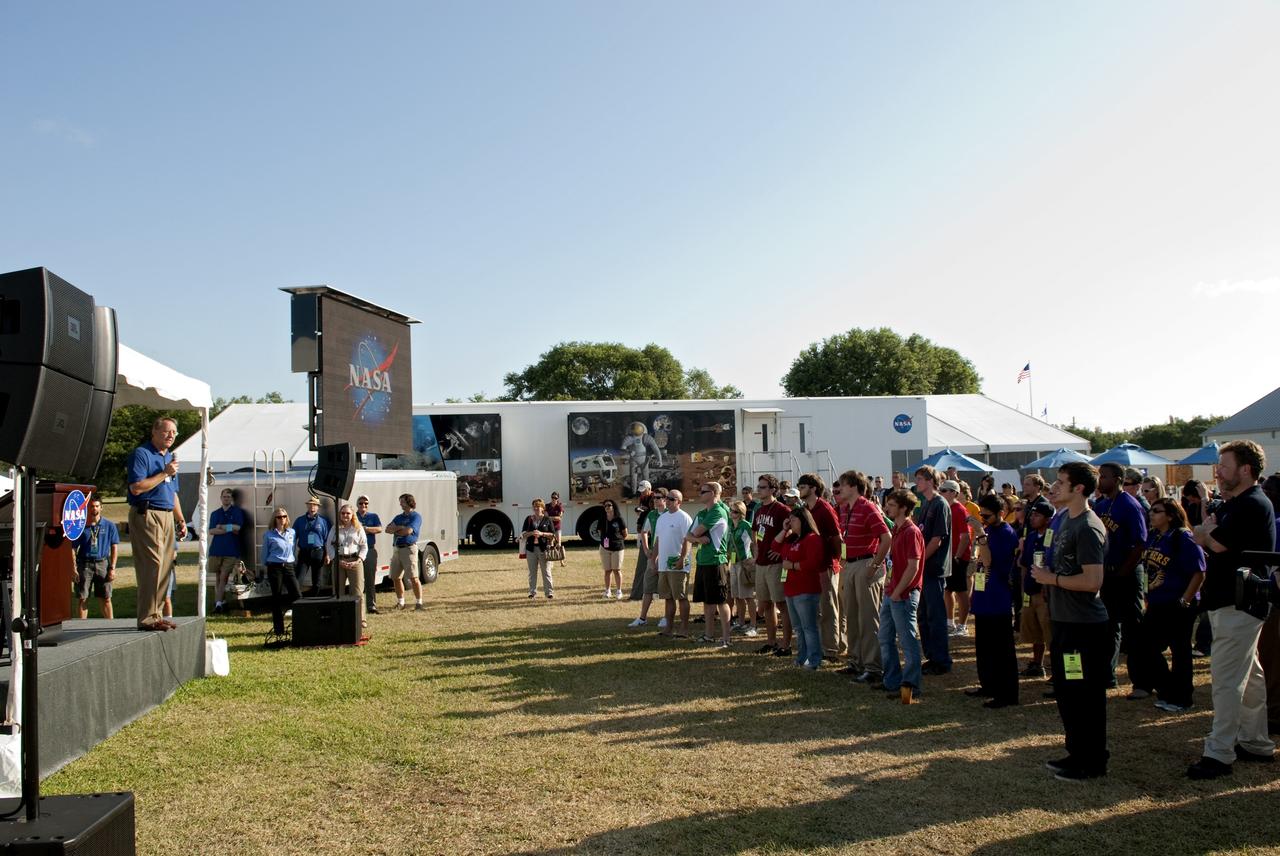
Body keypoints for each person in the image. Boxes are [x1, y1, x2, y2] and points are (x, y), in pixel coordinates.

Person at [1186, 440, 1276, 779]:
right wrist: (1208, 534)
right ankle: (1255, 742)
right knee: (1249, 677)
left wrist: (1208, 535)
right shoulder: (1236, 504)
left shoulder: (1253, 503)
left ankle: (1219, 753)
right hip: (1230, 600)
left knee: (1225, 681)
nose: (1217, 472)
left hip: (1239, 602)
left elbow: (1217, 542)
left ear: (1246, 470)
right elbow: (1205, 534)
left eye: (1224, 466)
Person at [1031, 462, 1110, 782]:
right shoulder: (1064, 520)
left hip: (1083, 626)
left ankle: (1092, 761)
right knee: (1068, 691)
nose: (1055, 486)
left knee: (1085, 695)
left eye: (1061, 482)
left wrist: (1053, 579)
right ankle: (1077, 752)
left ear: (1079, 489)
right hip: (1064, 621)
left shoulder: (1088, 527)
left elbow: (1093, 581)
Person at [1129, 498, 1204, 712]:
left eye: (1157, 511)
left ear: (1170, 515)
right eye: (1151, 511)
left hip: (1178, 603)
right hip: (1156, 602)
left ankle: (1182, 698)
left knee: (1180, 651)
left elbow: (1199, 573)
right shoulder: (1154, 536)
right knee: (1145, 646)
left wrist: (1185, 600)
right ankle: (1168, 689)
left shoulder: (1183, 537)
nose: (1151, 514)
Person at [126, 416, 185, 632]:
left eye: (174, 433)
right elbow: (137, 487)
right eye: (167, 431)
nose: (171, 436)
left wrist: (180, 519)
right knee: (152, 565)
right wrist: (164, 473)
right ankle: (147, 618)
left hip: (167, 514)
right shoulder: (142, 454)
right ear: (154, 432)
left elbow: (173, 493)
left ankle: (157, 615)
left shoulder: (169, 458)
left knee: (166, 566)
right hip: (147, 514)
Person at [1094, 462, 1149, 687]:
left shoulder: (1129, 504)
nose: (1100, 481)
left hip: (1126, 572)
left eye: (1104, 476)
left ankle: (1142, 682)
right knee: (1108, 626)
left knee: (1133, 628)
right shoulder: (1101, 505)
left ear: (1117, 478)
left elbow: (1140, 543)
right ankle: (1108, 676)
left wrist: (1123, 572)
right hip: (1107, 573)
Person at [833, 471, 891, 684]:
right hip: (850, 564)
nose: (839, 489)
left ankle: (873, 667)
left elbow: (886, 538)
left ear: (854, 487)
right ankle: (856, 661)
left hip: (866, 563)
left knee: (868, 618)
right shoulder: (845, 509)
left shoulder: (868, 507)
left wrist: (874, 565)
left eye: (843, 485)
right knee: (852, 615)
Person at [967, 495, 1020, 708]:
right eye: (980, 514)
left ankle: (1006, 693)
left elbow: (989, 561)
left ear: (1000, 513)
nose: (983, 518)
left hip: (998, 598)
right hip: (984, 595)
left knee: (1001, 650)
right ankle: (988, 684)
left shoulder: (1006, 534)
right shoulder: (989, 530)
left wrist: (980, 534)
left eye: (987, 515)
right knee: (985, 646)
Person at [874, 488, 924, 703]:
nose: (888, 508)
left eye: (892, 505)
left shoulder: (911, 532)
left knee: (907, 640)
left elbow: (913, 567)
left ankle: (911, 685)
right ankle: (892, 680)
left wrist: (897, 591)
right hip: (892, 592)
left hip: (903, 594)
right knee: (885, 638)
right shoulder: (897, 529)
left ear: (904, 508)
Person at [777, 504, 828, 669]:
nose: (790, 521)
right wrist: (784, 529)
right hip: (791, 589)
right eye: (789, 519)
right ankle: (802, 657)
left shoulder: (812, 538)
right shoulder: (791, 538)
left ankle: (814, 660)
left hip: (806, 589)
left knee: (809, 627)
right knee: (799, 628)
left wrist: (791, 565)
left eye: (793, 519)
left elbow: (813, 563)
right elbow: (774, 546)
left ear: (804, 520)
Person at [797, 473, 842, 660]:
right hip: (812, 567)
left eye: (802, 486)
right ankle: (823, 645)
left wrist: (836, 561)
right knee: (816, 608)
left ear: (814, 488)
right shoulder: (805, 509)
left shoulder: (825, 509)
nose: (799, 488)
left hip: (826, 565)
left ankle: (831, 649)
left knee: (828, 608)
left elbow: (837, 537)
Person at [915, 466, 953, 675]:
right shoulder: (926, 504)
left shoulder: (940, 504)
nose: (917, 483)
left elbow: (937, 540)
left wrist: (919, 561)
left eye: (920, 479)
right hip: (925, 568)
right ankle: (931, 655)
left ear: (930, 480)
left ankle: (941, 660)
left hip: (934, 568)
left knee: (935, 616)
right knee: (924, 615)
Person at [685, 482, 732, 647]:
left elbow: (696, 531)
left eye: (703, 491)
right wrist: (698, 539)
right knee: (707, 601)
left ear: (713, 493)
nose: (700, 494)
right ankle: (708, 635)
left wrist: (696, 536)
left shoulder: (718, 511)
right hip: (703, 561)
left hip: (716, 561)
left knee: (721, 600)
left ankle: (726, 638)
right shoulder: (702, 512)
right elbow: (689, 536)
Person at [752, 475, 793, 657]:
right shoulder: (760, 510)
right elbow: (756, 532)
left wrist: (781, 551)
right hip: (761, 562)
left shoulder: (782, 509)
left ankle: (786, 643)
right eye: (759, 486)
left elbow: (791, 532)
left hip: (775, 564)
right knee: (766, 603)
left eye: (763, 487)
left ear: (772, 490)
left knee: (782, 604)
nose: (759, 489)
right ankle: (771, 641)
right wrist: (755, 551)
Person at [1019, 500, 1055, 677]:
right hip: (1030, 589)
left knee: (1049, 631)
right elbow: (1024, 563)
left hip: (1045, 592)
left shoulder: (1053, 537)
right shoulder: (1032, 536)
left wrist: (1048, 587)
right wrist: (1023, 586)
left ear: (1048, 519)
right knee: (1034, 630)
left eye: (1037, 515)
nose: (1033, 518)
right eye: (1032, 514)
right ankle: (1036, 663)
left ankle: (1056, 669)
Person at [654, 490, 693, 639]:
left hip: (678, 565)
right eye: (666, 498)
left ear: (679, 502)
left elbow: (687, 540)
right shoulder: (661, 518)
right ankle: (668, 628)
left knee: (681, 597)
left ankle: (684, 629)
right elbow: (658, 540)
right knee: (668, 597)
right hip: (664, 565)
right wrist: (654, 558)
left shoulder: (684, 518)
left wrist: (682, 558)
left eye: (671, 498)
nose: (668, 500)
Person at [73, 497, 119, 619]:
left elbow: (114, 547)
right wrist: (73, 568)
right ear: (88, 509)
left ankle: (110, 626)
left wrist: (112, 568)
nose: (94, 508)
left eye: (97, 506)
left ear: (101, 507)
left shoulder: (109, 526)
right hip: (84, 564)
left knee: (106, 597)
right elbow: (72, 548)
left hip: (102, 564)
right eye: (92, 506)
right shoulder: (81, 526)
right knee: (83, 597)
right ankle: (81, 628)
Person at [325, 502, 368, 629]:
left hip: (355, 561)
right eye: (343, 513)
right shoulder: (335, 528)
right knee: (338, 591)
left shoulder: (358, 528)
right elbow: (328, 545)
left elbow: (364, 546)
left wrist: (359, 559)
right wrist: (336, 560)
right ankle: (339, 617)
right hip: (339, 562)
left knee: (357, 592)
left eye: (348, 513)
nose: (345, 515)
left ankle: (361, 619)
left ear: (352, 515)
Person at [630, 491, 667, 626]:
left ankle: (667, 617)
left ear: (665, 499)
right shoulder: (652, 514)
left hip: (667, 556)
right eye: (653, 498)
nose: (655, 501)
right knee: (648, 588)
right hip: (653, 556)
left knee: (667, 590)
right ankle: (642, 618)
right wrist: (646, 549)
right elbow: (644, 532)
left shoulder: (670, 514)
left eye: (658, 498)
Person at [940, 480, 972, 638]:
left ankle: (963, 625)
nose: (941, 492)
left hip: (958, 557)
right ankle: (949, 622)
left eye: (945, 490)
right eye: (941, 490)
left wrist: (957, 556)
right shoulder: (947, 508)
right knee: (947, 590)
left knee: (961, 591)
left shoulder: (959, 509)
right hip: (949, 556)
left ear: (954, 493)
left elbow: (965, 537)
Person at [262, 506, 301, 637]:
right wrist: (265, 566)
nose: (282, 519)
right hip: (275, 566)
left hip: (289, 566)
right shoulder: (269, 534)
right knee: (276, 597)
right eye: (279, 517)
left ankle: (299, 625)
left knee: (297, 594)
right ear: (275, 519)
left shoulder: (292, 532)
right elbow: (264, 553)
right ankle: (279, 629)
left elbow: (293, 548)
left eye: (284, 516)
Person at [208, 488, 246, 615]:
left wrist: (223, 526)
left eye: (229, 497)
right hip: (216, 550)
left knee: (224, 577)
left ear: (232, 499)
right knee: (218, 577)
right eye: (224, 497)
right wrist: (229, 529)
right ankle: (221, 602)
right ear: (221, 498)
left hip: (231, 550)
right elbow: (211, 531)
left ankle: (217, 604)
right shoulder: (215, 513)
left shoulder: (236, 512)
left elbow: (238, 527)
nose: (226, 499)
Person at [385, 493, 424, 611]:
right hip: (397, 549)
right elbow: (387, 529)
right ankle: (401, 602)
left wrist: (397, 529)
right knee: (396, 577)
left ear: (409, 502)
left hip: (409, 549)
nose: (400, 504)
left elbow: (408, 531)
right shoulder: (398, 517)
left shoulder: (416, 517)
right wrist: (400, 527)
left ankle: (419, 603)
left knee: (413, 577)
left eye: (402, 501)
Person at [726, 501, 758, 637]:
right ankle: (741, 622)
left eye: (735, 512)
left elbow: (755, 542)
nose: (732, 514)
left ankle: (753, 625)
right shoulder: (731, 526)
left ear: (742, 513)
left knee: (748, 596)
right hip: (733, 564)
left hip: (745, 564)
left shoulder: (745, 525)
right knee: (737, 595)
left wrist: (755, 559)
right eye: (731, 511)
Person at [293, 497, 331, 597]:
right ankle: (297, 601)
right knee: (298, 579)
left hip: (318, 552)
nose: (312, 507)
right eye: (310, 505)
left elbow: (327, 540)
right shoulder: (299, 520)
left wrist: (327, 555)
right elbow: (292, 538)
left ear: (318, 507)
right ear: (307, 506)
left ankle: (313, 601)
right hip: (304, 552)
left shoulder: (324, 521)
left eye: (314, 505)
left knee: (317, 581)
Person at [355, 496, 383, 615]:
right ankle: (356, 606)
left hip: (370, 551)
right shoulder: (353, 515)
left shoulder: (373, 516)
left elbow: (379, 529)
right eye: (361, 503)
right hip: (355, 551)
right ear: (357, 504)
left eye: (366, 503)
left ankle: (371, 606)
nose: (363, 505)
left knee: (370, 579)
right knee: (356, 581)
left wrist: (365, 529)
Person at [628, 482, 655, 600]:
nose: (642, 493)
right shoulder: (643, 498)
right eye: (641, 491)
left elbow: (652, 513)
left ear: (649, 489)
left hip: (650, 532)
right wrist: (639, 510)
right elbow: (641, 511)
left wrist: (645, 509)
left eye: (644, 490)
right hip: (643, 529)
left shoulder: (653, 498)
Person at [599, 499, 628, 600]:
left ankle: (619, 591)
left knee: (616, 570)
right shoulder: (602, 518)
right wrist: (604, 541)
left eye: (609, 505)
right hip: (604, 548)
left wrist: (617, 541)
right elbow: (599, 531)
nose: (607, 507)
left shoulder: (619, 519)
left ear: (613, 506)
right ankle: (608, 591)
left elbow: (625, 534)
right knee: (607, 570)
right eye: (605, 505)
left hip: (617, 548)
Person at [546, 492, 566, 566]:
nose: (554, 499)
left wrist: (550, 518)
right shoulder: (547, 506)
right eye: (552, 497)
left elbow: (559, 518)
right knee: (550, 544)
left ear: (558, 498)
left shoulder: (559, 506)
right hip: (549, 528)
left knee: (559, 544)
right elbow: (546, 517)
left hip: (557, 528)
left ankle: (561, 561)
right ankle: (551, 561)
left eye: (556, 498)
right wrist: (554, 518)